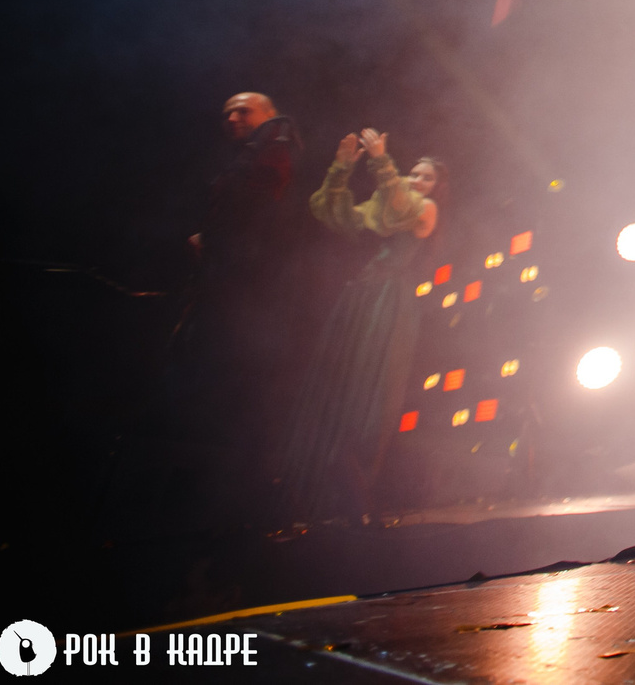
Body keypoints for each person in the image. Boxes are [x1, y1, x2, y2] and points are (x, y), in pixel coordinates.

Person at [277, 128, 442, 523]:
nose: (418, 180)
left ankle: (359, 498)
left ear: (437, 188)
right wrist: (341, 168)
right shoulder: (386, 203)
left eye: (427, 177)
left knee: (370, 394)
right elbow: (337, 215)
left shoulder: (426, 209)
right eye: (415, 173)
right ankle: (320, 493)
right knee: (336, 388)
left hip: (389, 302)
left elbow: (401, 208)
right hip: (361, 296)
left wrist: (381, 159)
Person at [167, 92, 305, 520]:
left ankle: (251, 499)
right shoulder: (256, 151)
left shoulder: (275, 143)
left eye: (243, 110)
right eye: (226, 112)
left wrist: (213, 241)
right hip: (238, 283)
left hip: (249, 287)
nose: (232, 117)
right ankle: (235, 496)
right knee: (235, 390)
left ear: (268, 113)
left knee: (244, 387)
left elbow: (253, 208)